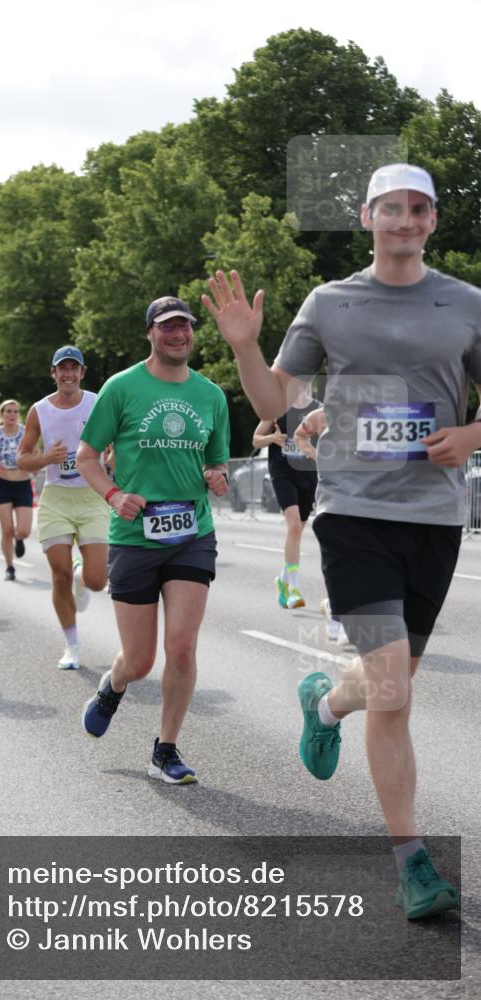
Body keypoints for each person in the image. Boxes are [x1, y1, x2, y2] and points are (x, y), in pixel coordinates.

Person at [202, 164, 481, 917]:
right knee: (392, 689)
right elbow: (279, 404)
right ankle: (411, 860)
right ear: (365, 217)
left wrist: (472, 431)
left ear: (430, 220)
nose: (401, 219)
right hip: (353, 510)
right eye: (388, 207)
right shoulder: (329, 303)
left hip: (434, 515)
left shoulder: (466, 304)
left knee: (392, 683)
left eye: (415, 208)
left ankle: (323, 703)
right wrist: (245, 350)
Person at [76, 297, 230, 784]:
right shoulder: (121, 388)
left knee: (181, 647)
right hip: (134, 538)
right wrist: (114, 494)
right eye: (167, 327)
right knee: (140, 661)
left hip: (192, 533)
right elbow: (85, 457)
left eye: (184, 326)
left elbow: (217, 461)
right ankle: (114, 684)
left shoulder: (211, 395)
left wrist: (218, 476)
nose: (177, 334)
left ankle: (165, 749)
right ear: (150, 333)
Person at [17, 347, 109, 669]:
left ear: (82, 372)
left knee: (98, 580)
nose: (68, 373)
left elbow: (114, 442)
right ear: (53, 373)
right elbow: (22, 457)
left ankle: (82, 579)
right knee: (59, 573)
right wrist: (46, 458)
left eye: (74, 368)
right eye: (62, 368)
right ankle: (72, 646)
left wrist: (112, 459)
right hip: (56, 496)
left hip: (92, 495)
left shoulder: (98, 402)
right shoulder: (39, 410)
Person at [252, 381, 320, 609]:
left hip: (308, 474)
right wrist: (272, 439)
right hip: (283, 471)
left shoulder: (318, 409)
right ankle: (293, 588)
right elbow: (256, 439)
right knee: (293, 527)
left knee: (298, 530)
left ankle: (281, 580)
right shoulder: (277, 409)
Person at [0, 400, 34, 581]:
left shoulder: (26, 432)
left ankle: (19, 539)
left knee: (24, 530)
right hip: (3, 484)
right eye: (8, 411)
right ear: (2, 414)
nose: (12, 415)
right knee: (7, 529)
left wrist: (35, 465)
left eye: (15, 412)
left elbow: (36, 453)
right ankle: (10, 567)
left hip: (23, 483)